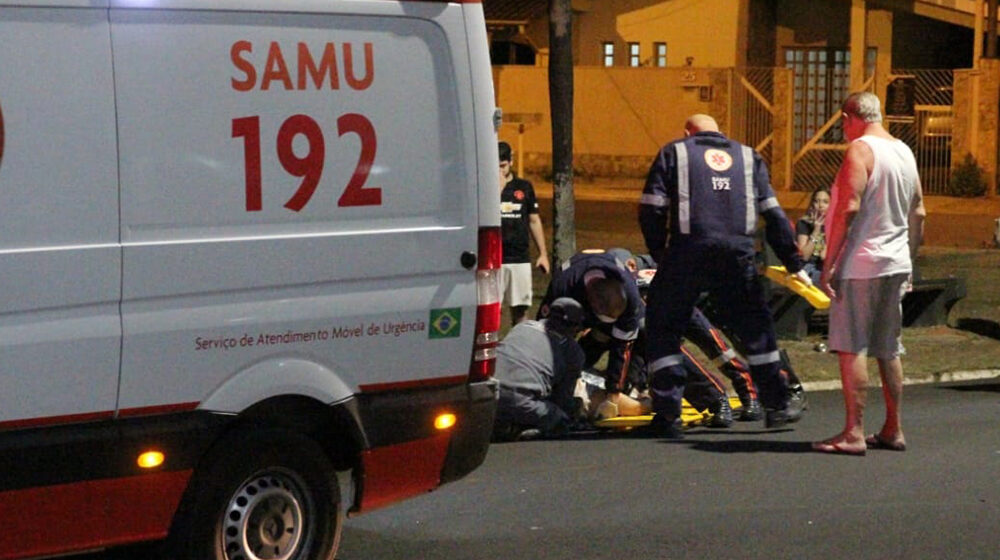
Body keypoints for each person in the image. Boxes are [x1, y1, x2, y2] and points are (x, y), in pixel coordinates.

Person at [639, 113, 808, 438]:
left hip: (688, 252)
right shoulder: (748, 157)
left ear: (688, 132)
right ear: (720, 133)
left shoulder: (675, 152)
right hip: (737, 256)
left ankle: (668, 415)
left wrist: (661, 252)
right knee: (756, 330)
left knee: (664, 327)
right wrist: (793, 261)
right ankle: (776, 406)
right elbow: (773, 215)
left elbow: (652, 207)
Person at [813, 92, 925, 455]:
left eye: (842, 122)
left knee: (853, 347)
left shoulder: (860, 151)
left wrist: (829, 264)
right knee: (889, 349)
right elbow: (918, 212)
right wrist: (908, 258)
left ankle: (853, 432)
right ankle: (893, 428)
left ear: (849, 117)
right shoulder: (904, 152)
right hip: (895, 262)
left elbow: (847, 208)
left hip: (861, 263)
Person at [537, 251, 647, 417]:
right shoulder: (564, 287)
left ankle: (637, 387)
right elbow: (543, 334)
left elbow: (622, 347)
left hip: (582, 376)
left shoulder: (629, 294)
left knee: (644, 333)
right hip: (558, 373)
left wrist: (614, 394)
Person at [492, 297, 586, 441]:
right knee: (561, 419)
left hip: (488, 393)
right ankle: (524, 427)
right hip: (521, 401)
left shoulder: (522, 326)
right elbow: (562, 400)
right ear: (576, 328)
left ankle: (503, 421)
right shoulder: (572, 351)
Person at [499, 141, 550, 325]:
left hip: (519, 258)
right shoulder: (485, 186)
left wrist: (543, 254)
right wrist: (498, 189)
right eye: (496, 166)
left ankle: (518, 349)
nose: (500, 171)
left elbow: (534, 220)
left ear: (510, 162)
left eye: (503, 166)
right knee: (492, 311)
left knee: (520, 310)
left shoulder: (524, 187)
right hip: (492, 259)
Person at [795, 187, 831, 284]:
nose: (820, 206)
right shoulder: (804, 223)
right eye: (816, 201)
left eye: (825, 202)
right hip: (809, 266)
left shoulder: (835, 225)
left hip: (828, 267)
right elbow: (804, 256)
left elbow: (824, 256)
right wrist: (816, 230)